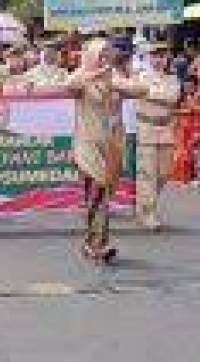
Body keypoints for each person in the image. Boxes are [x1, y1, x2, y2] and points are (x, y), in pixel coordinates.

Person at [67, 38, 144, 262]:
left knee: (100, 194)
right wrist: (96, 75)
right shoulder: (82, 75)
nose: (104, 58)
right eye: (100, 54)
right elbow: (70, 85)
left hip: (111, 145)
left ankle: (91, 241)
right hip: (87, 143)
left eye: (107, 54)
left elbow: (142, 89)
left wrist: (117, 81)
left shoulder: (115, 77)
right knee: (97, 189)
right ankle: (100, 244)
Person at [134, 44, 180, 230]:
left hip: (165, 128)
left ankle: (143, 204)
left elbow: (172, 97)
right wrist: (155, 94)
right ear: (149, 58)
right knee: (148, 173)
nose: (159, 59)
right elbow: (145, 93)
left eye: (162, 56)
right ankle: (148, 212)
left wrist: (151, 93)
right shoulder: (141, 77)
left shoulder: (172, 78)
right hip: (146, 126)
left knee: (164, 172)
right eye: (155, 55)